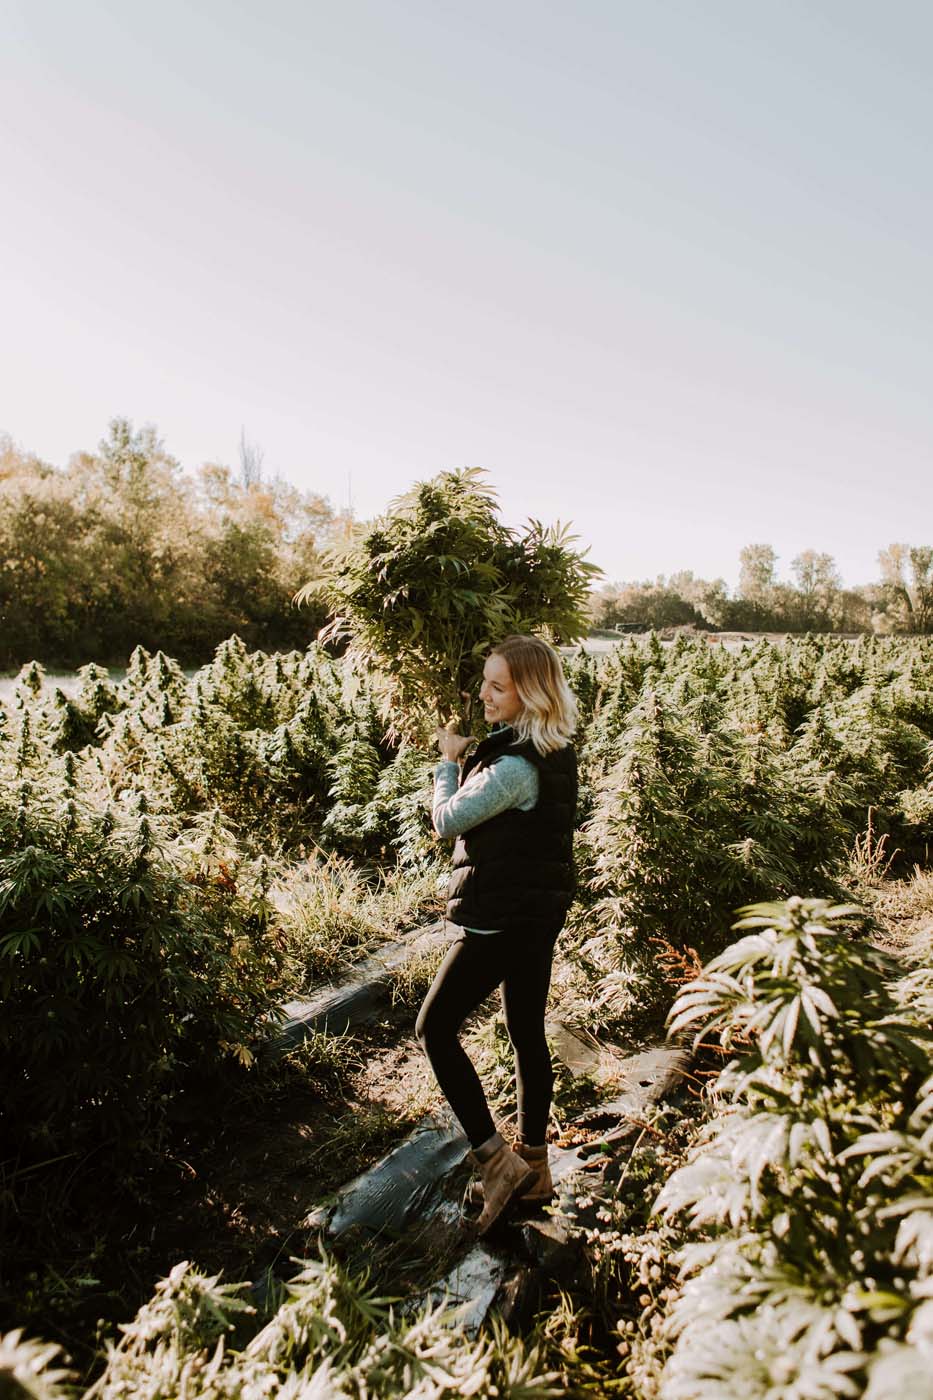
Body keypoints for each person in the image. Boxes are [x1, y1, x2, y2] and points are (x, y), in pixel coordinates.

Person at [415, 634, 578, 1234]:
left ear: (528, 693)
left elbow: (446, 819)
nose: (484, 694)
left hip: (497, 919)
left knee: (433, 1028)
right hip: (535, 915)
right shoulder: (549, 747)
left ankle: (496, 1163)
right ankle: (535, 1167)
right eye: (484, 681)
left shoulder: (513, 767)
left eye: (497, 686)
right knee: (525, 1033)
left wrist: (447, 763)